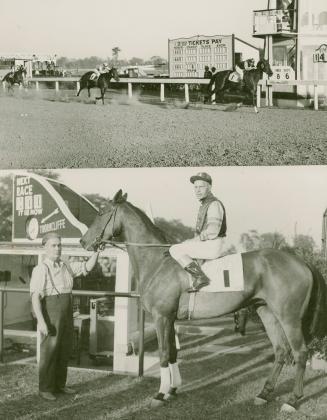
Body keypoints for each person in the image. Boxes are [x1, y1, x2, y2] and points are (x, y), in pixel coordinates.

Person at [30, 232, 102, 401]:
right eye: (53, 245)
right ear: (45, 248)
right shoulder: (41, 269)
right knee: (50, 351)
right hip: (51, 314)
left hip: (67, 312)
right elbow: (35, 298)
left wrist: (97, 251)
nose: (57, 248)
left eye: (59, 245)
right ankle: (45, 388)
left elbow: (87, 267)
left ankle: (59, 385)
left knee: (64, 350)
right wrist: (41, 322)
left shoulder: (66, 265)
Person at [169, 172, 227, 292]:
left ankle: (200, 277)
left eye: (201, 187)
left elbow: (213, 230)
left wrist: (193, 241)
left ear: (209, 187)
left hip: (212, 245)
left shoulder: (214, 204)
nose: (197, 190)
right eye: (195, 187)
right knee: (180, 246)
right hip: (208, 244)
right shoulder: (205, 204)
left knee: (174, 249)